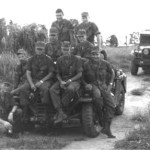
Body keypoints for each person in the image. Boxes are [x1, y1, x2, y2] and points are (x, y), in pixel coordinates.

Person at [83, 46, 116, 138]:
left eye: (96, 54)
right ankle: (99, 115)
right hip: (93, 85)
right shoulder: (86, 64)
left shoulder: (105, 63)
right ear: (90, 55)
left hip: (103, 86)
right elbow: (81, 77)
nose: (95, 56)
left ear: (99, 55)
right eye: (93, 54)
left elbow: (112, 72)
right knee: (97, 97)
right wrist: (86, 84)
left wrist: (110, 84)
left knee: (111, 105)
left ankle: (106, 127)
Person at [50, 41, 83, 124]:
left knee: (70, 89)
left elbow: (80, 73)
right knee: (52, 89)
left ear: (70, 49)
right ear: (61, 49)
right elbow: (57, 73)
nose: (66, 51)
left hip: (74, 80)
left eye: (67, 49)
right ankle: (60, 112)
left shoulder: (76, 59)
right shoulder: (59, 59)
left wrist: (70, 80)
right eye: (64, 49)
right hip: (63, 80)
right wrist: (61, 81)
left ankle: (61, 110)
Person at [19, 41, 54, 109]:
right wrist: (31, 84)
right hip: (33, 79)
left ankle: (46, 114)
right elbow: (28, 73)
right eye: (38, 49)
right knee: (23, 89)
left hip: (45, 80)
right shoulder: (31, 59)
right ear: (35, 49)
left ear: (44, 50)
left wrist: (41, 82)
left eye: (41, 49)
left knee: (45, 90)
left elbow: (51, 73)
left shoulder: (48, 59)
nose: (39, 51)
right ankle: (26, 113)